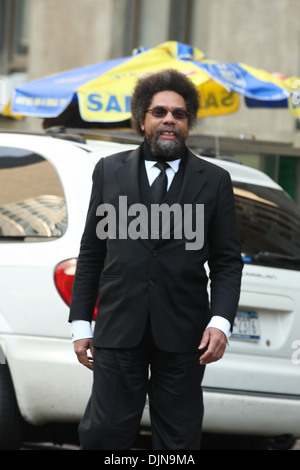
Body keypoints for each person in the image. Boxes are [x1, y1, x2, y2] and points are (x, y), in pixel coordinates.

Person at [69, 69, 243, 450]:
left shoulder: (214, 179)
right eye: (159, 112)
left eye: (178, 114)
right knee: (103, 435)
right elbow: (92, 251)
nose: (169, 120)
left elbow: (228, 260)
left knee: (178, 442)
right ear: (141, 120)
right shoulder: (109, 171)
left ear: (188, 123)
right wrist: (81, 322)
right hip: (118, 329)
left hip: (185, 335)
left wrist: (221, 322)